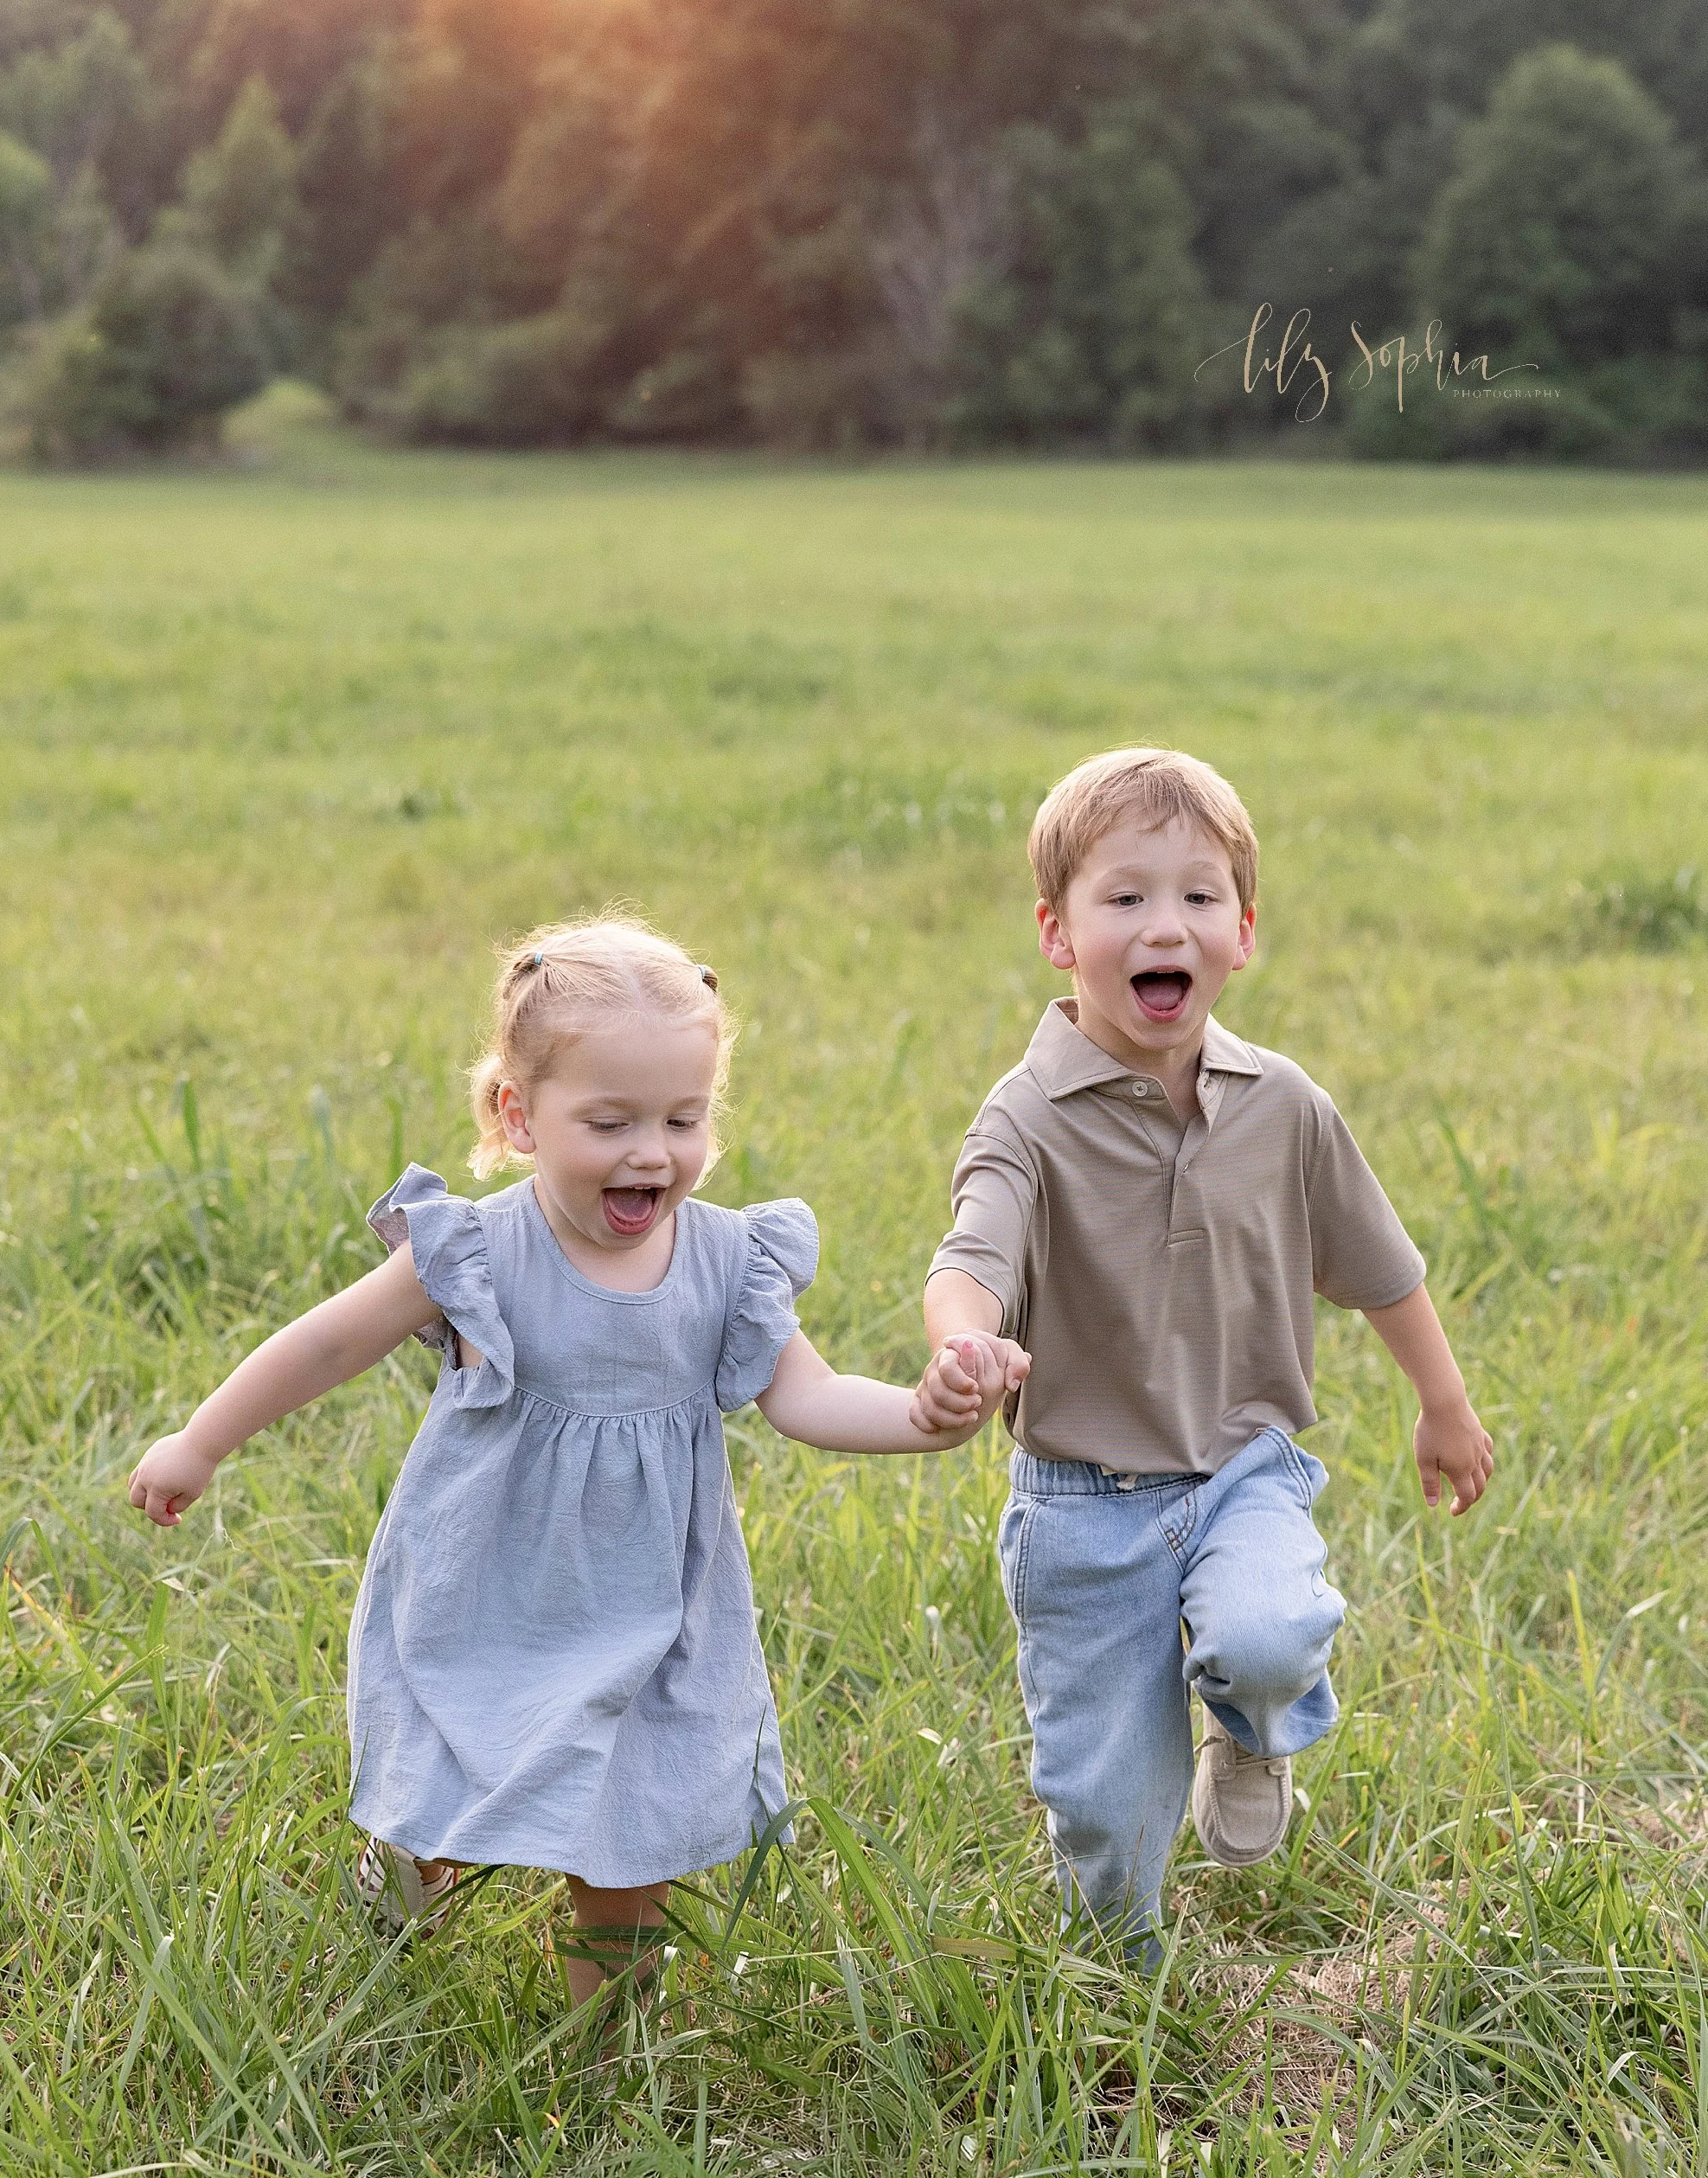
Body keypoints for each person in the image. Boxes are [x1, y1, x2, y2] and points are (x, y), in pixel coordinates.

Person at [130, 916, 1025, 2008]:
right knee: (457, 1782)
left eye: (682, 1119)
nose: (651, 1151)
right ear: (518, 1115)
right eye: (608, 1121)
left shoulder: (724, 1259)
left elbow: (810, 1394)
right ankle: (414, 1866)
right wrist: (201, 1439)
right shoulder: (474, 1251)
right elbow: (325, 1341)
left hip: (653, 1606)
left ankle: (600, 2051)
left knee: (628, 1834)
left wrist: (926, 1413)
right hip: (491, 1583)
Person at [913, 746, 1494, 1956]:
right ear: (1057, 934)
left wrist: (1442, 1401)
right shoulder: (1027, 1112)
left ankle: (1249, 1725)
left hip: (1244, 1466)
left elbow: (1383, 1266)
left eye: (1195, 895)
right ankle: (1122, 1980)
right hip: (1081, 1502)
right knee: (1102, 1806)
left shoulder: (1285, 1105)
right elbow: (971, 1253)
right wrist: (965, 1346)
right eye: (1123, 897)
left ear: (1242, 930)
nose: (1161, 922)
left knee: (1270, 1636)